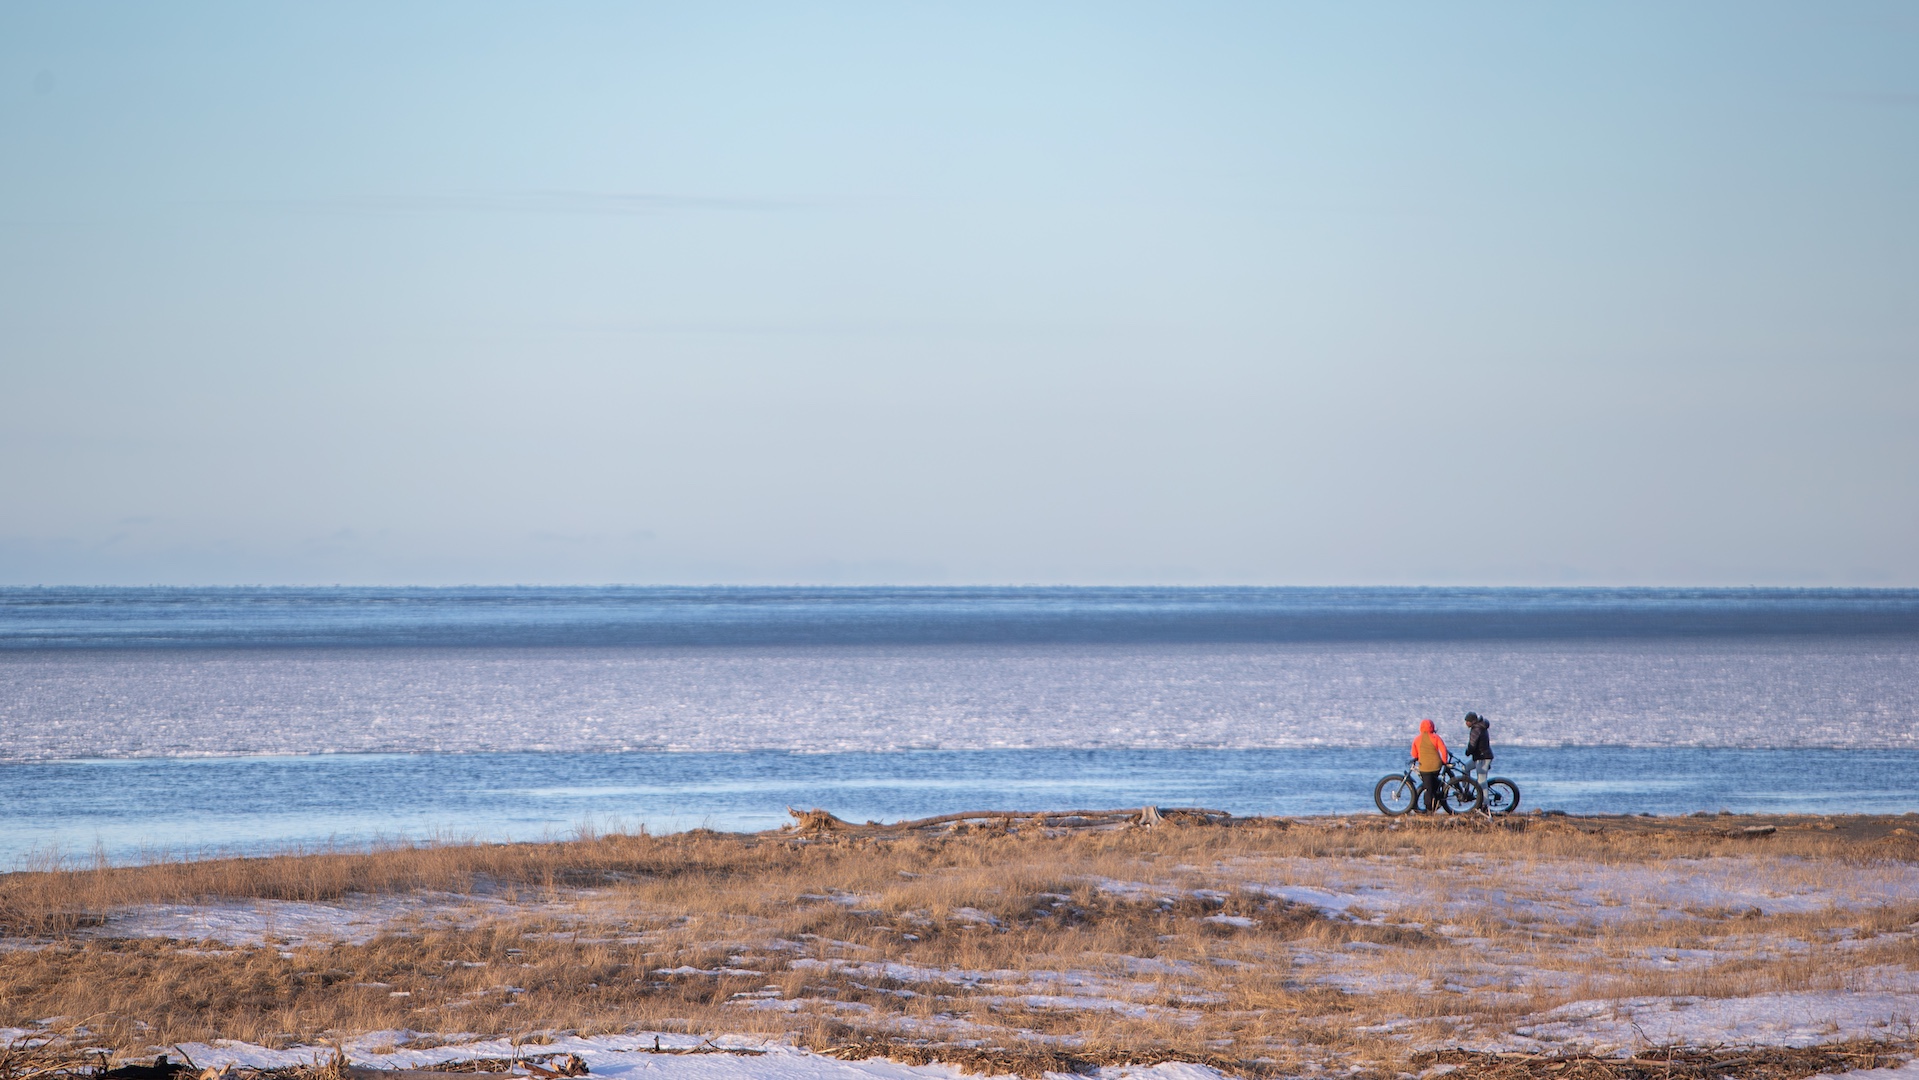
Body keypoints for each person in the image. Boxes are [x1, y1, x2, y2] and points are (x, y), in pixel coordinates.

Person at [1410, 718, 1449, 813]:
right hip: (1436, 766)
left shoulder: (1417, 739)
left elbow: (1414, 754)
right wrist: (1444, 761)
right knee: (1434, 784)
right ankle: (1436, 801)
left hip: (1424, 767)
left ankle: (1429, 809)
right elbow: (1443, 750)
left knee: (1428, 788)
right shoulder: (1436, 737)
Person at [1464, 712, 1493, 794]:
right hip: (1478, 757)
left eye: (1468, 721)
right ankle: (1466, 791)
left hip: (1483, 757)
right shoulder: (1479, 726)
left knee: (1482, 782)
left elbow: (1472, 744)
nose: (1466, 723)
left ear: (1473, 721)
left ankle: (1485, 804)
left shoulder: (1476, 729)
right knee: (1465, 768)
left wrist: (1467, 752)